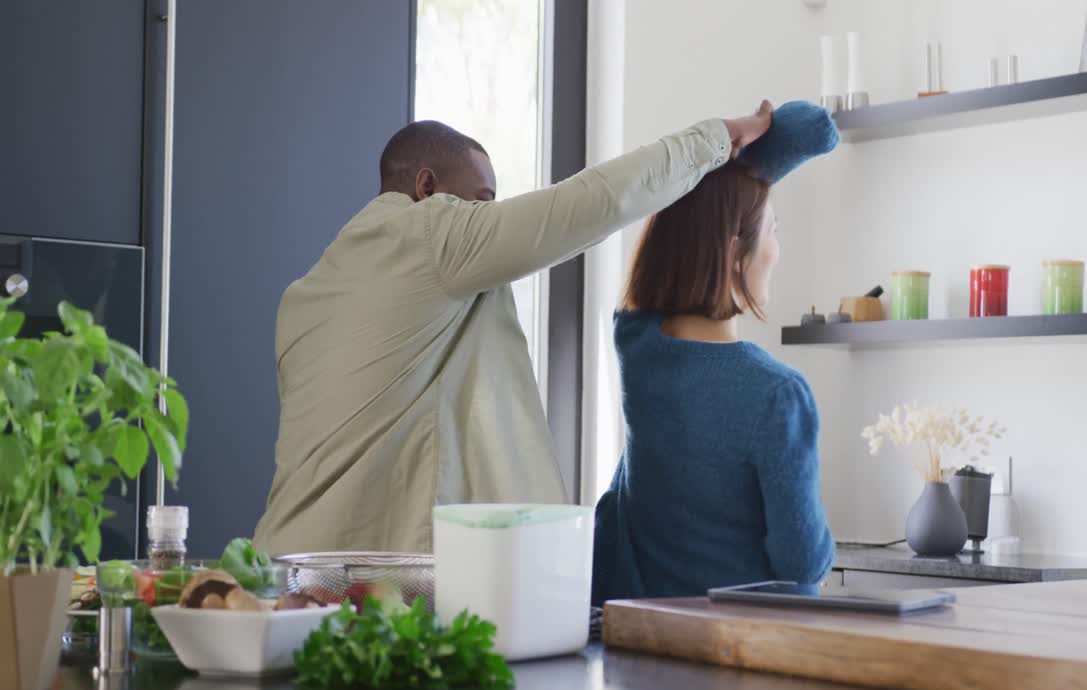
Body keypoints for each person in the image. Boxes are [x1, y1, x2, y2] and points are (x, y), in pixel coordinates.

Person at [253, 103, 774, 555]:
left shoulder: (308, 294)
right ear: (427, 187)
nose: (489, 216)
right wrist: (715, 139)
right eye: (482, 200)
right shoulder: (430, 234)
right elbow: (594, 200)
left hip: (285, 570)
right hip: (370, 581)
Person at [592, 159, 835, 605]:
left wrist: (725, 171)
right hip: (738, 645)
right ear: (733, 251)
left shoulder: (636, 349)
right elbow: (800, 561)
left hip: (638, 638)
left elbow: (646, 288)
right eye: (773, 230)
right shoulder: (777, 395)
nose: (777, 249)